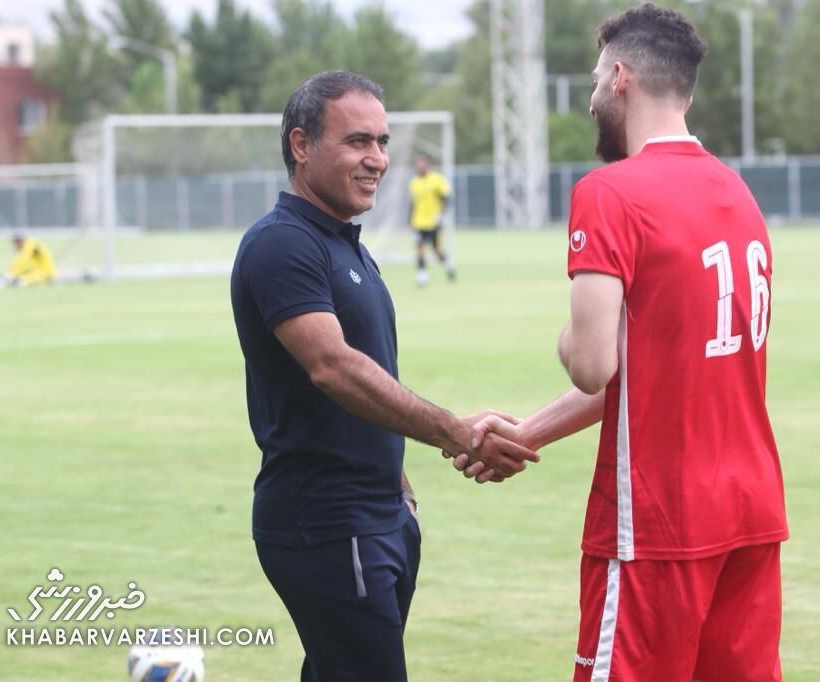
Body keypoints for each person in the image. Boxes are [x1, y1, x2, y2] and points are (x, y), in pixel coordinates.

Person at [457, 5, 788, 680]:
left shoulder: (610, 192)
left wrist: (571, 336)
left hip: (657, 523)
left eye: (592, 82)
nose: (589, 100)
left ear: (620, 77)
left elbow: (593, 365)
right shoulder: (737, 192)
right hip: (750, 512)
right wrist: (528, 432)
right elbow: (654, 373)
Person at [229, 70, 538, 682]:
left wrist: (392, 474)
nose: (376, 159)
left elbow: (361, 374)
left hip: (379, 515)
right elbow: (332, 366)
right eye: (356, 142)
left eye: (382, 142)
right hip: (326, 522)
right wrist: (452, 431)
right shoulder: (281, 245)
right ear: (300, 145)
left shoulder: (347, 244)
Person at [408, 154, 455, 286]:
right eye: (418, 164)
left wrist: (441, 215)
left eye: (422, 163)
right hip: (418, 222)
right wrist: (410, 220)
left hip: (434, 222)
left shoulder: (437, 179)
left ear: (428, 165)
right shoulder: (414, 182)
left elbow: (447, 198)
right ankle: (422, 275)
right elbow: (412, 203)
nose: (419, 166)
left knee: (436, 249)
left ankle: (448, 266)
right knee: (419, 247)